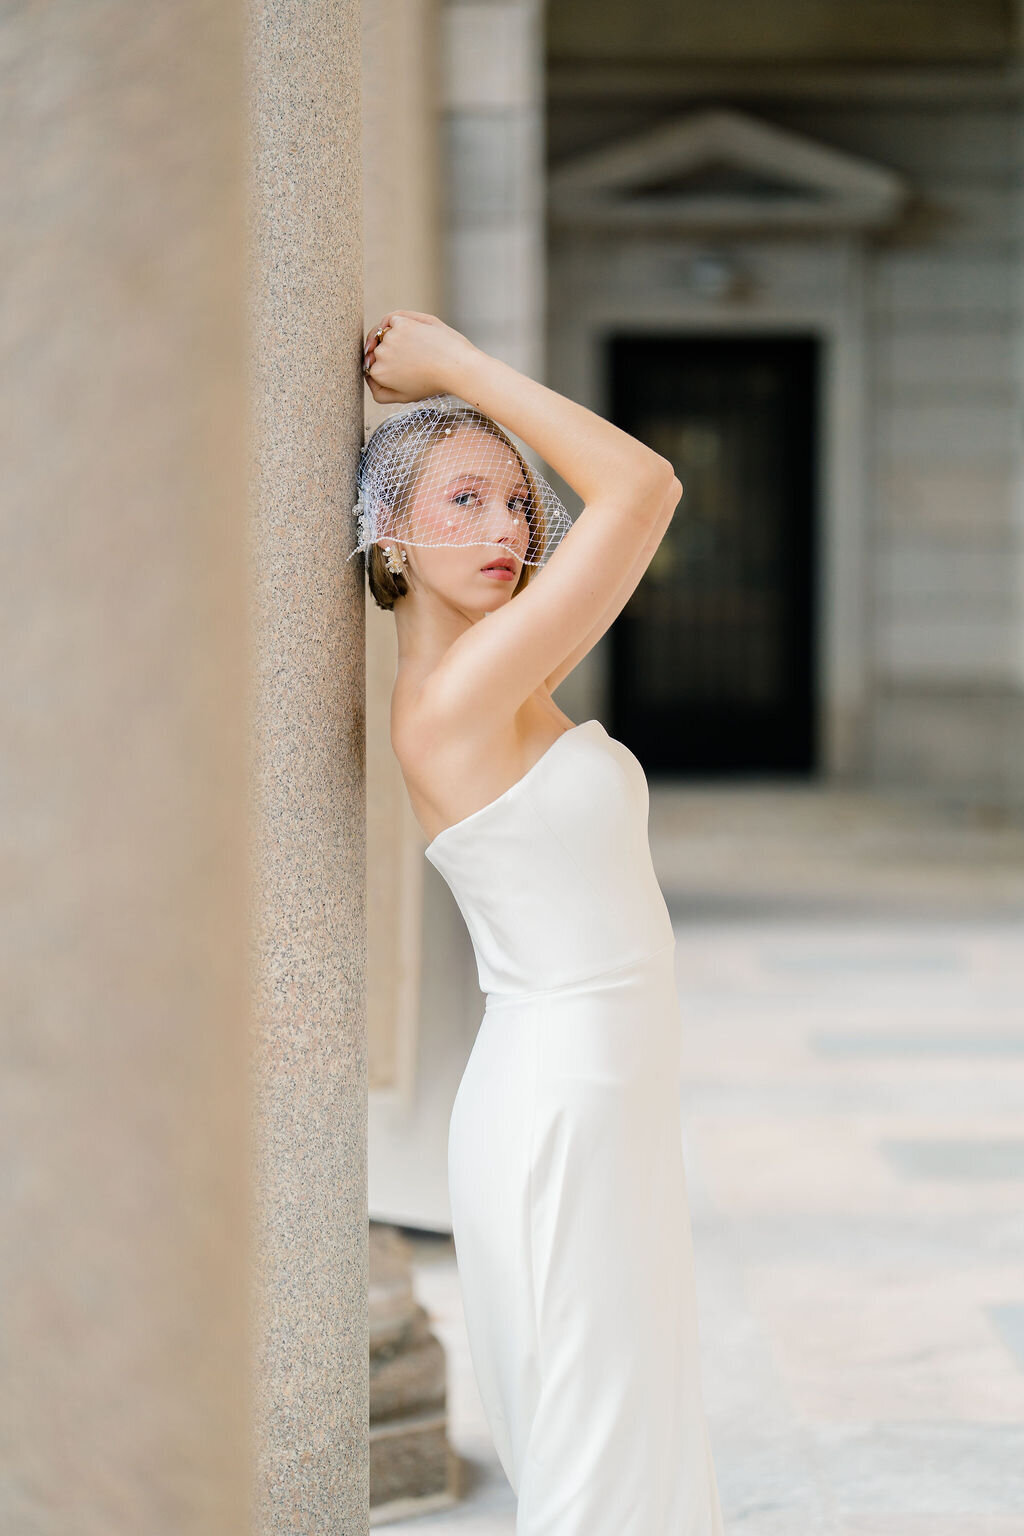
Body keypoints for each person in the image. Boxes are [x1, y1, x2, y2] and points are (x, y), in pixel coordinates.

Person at [359, 310, 726, 1535]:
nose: (506, 528)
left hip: (603, 1090)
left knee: (626, 1416)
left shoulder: (508, 674)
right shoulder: (457, 696)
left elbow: (618, 498)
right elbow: (646, 484)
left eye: (515, 503)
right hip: (560, 1099)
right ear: (388, 542)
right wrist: (459, 367)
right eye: (463, 501)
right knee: (591, 1438)